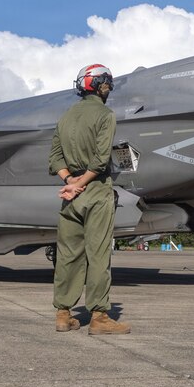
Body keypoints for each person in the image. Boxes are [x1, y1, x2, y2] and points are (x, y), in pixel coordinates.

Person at [48, 63, 130, 335]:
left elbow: (55, 158)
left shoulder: (66, 116)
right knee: (98, 255)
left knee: (68, 255)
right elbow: (100, 159)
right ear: (101, 85)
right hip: (95, 191)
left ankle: (63, 314)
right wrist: (81, 183)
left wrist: (69, 182)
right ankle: (99, 317)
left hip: (70, 196)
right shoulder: (106, 115)